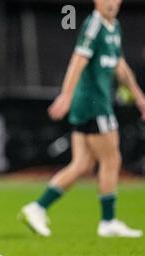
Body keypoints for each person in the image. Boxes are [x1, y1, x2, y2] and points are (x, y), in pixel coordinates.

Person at [20, 0, 145, 238]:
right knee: (112, 159)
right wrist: (66, 95)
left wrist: (139, 96)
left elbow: (119, 65)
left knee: (83, 164)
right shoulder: (94, 25)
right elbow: (78, 60)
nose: (110, 3)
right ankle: (108, 222)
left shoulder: (113, 26)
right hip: (93, 104)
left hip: (93, 103)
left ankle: (37, 207)